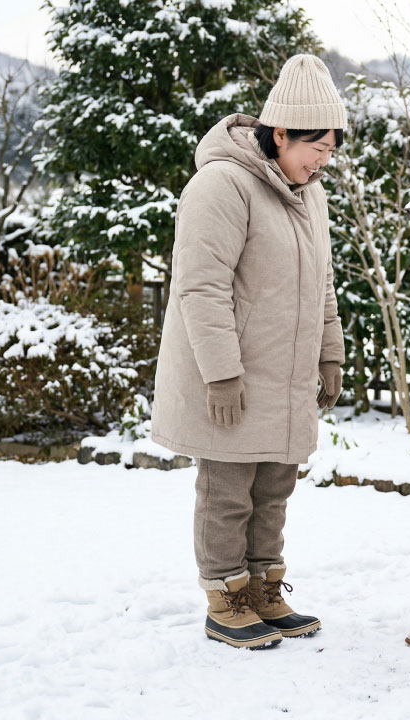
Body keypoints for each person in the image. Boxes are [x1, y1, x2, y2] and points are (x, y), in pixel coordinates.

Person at [151, 54, 347, 649]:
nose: (324, 160)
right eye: (316, 146)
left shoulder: (309, 195)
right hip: (233, 373)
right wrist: (220, 373)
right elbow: (200, 285)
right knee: (228, 491)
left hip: (284, 374)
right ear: (280, 133)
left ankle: (263, 587)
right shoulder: (221, 184)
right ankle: (225, 595)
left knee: (274, 491)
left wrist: (329, 353)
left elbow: (323, 283)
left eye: (332, 149)